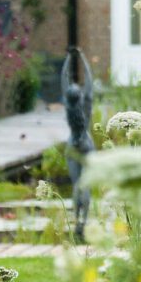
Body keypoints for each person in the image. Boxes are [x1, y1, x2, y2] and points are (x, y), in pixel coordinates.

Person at [60, 47, 94, 243]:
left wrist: (68, 58)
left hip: (73, 144)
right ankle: (85, 220)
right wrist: (82, 56)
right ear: (79, 94)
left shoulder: (68, 105)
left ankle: (76, 221)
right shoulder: (86, 103)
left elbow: (63, 80)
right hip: (87, 145)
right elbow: (89, 81)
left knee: (76, 185)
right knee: (86, 183)